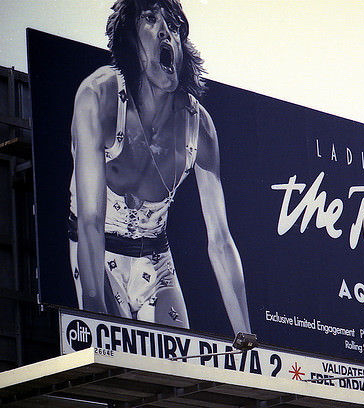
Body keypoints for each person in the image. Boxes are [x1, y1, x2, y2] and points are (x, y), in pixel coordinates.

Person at [68, 0, 251, 334]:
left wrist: (247, 338)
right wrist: (93, 313)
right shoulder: (99, 97)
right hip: (96, 250)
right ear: (130, 37)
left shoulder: (199, 127)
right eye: (150, 19)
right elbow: (91, 220)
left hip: (155, 258)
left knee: (179, 365)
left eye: (175, 25)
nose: (167, 31)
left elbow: (221, 241)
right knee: (119, 367)